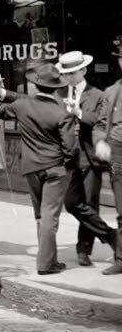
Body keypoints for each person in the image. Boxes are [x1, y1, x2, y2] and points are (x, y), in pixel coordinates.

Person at [0, 62, 119, 275]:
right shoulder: (60, 112)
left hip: (32, 168)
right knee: (50, 215)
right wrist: (66, 165)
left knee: (41, 215)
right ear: (55, 87)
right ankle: (46, 263)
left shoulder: (24, 106)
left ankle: (50, 259)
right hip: (56, 169)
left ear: (35, 86)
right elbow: (70, 148)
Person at [57, 50, 111, 268]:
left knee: (89, 202)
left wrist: (78, 112)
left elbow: (101, 121)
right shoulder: (58, 94)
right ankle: (110, 235)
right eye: (65, 73)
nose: (68, 77)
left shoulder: (98, 95)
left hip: (88, 157)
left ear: (83, 71)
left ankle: (83, 248)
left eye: (72, 73)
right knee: (71, 203)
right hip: (67, 157)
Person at [93, 36, 122, 275]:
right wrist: (101, 141)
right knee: (121, 207)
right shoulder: (111, 92)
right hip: (118, 153)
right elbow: (100, 123)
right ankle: (121, 258)